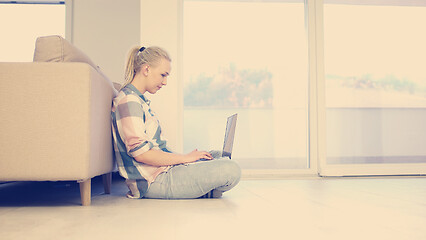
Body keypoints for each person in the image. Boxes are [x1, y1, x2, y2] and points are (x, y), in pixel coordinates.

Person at [111, 46, 241, 199]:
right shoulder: (129, 101)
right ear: (146, 69)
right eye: (163, 75)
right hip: (152, 181)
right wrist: (185, 158)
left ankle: (200, 189)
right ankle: (202, 189)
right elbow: (142, 155)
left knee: (217, 155)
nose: (165, 82)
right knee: (231, 170)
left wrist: (186, 159)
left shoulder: (137, 100)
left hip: (162, 171)